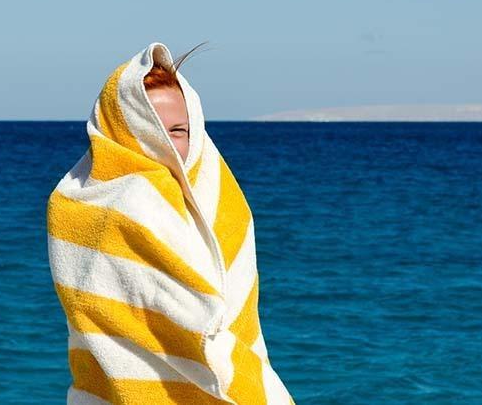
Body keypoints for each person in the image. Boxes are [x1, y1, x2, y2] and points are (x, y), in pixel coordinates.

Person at [46, 41, 296, 404]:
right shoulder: (109, 201)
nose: (165, 143)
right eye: (148, 127)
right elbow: (193, 326)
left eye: (178, 130)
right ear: (120, 129)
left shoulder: (216, 194)